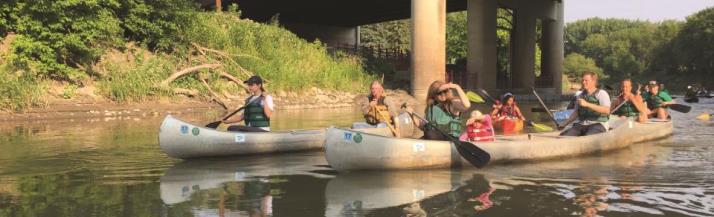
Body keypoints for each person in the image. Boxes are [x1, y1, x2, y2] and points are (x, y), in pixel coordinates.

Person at [560, 72, 611, 136]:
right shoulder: (580, 95)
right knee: (564, 136)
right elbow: (576, 113)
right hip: (582, 124)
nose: (583, 82)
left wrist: (587, 104)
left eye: (586, 80)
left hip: (598, 124)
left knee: (588, 136)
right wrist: (564, 124)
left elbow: (606, 110)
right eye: (583, 80)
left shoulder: (602, 93)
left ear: (593, 81)